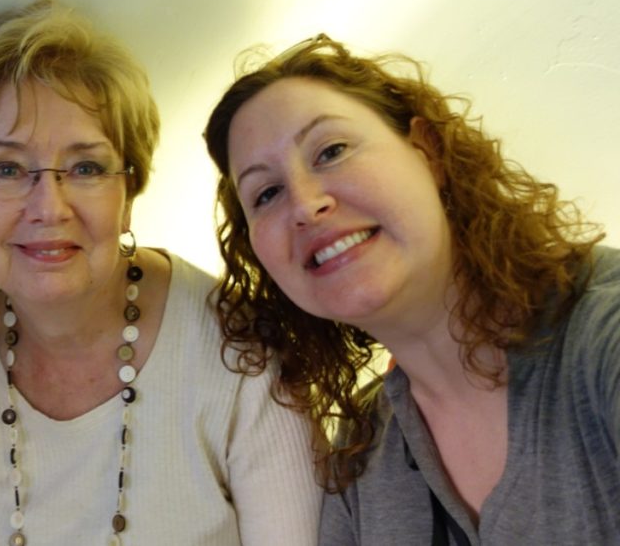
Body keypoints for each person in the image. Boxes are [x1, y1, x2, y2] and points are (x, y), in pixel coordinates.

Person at [0, 0, 320, 546]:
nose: (49, 208)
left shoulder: (241, 352)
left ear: (128, 193)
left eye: (86, 167)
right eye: (6, 168)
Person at [203, 33, 620, 544]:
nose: (305, 204)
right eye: (266, 193)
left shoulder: (603, 335)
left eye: (331, 151)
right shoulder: (359, 460)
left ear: (428, 153)